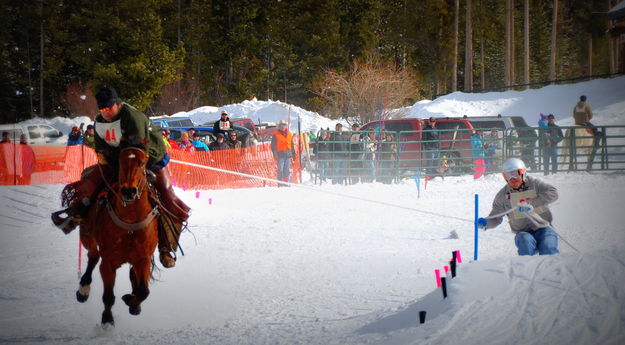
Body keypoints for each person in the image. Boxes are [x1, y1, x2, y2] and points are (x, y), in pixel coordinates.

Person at [51, 86, 190, 268]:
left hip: (151, 157)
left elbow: (138, 149)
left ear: (117, 104)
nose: (106, 113)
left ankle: (166, 247)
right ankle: (76, 214)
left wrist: (119, 161)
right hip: (121, 160)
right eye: (102, 109)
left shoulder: (132, 117)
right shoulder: (100, 121)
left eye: (109, 108)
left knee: (165, 194)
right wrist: (105, 161)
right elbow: (100, 148)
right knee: (92, 180)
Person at [477, 158, 559, 256]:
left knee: (548, 247)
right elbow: (495, 218)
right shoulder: (502, 195)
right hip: (523, 232)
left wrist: (531, 204)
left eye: (516, 173)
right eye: (508, 175)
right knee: (525, 245)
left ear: (523, 172)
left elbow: (553, 192)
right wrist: (486, 223)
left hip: (544, 228)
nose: (512, 178)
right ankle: (525, 269)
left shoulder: (535, 184)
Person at [271, 120, 296, 185]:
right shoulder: (275, 135)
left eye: (284, 125)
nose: (282, 127)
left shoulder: (290, 134)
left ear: (286, 126)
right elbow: (273, 146)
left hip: (288, 155)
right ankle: (280, 183)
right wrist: (275, 154)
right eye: (281, 125)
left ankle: (286, 183)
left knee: (287, 170)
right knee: (280, 170)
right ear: (278, 127)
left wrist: (294, 154)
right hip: (280, 156)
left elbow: (292, 145)